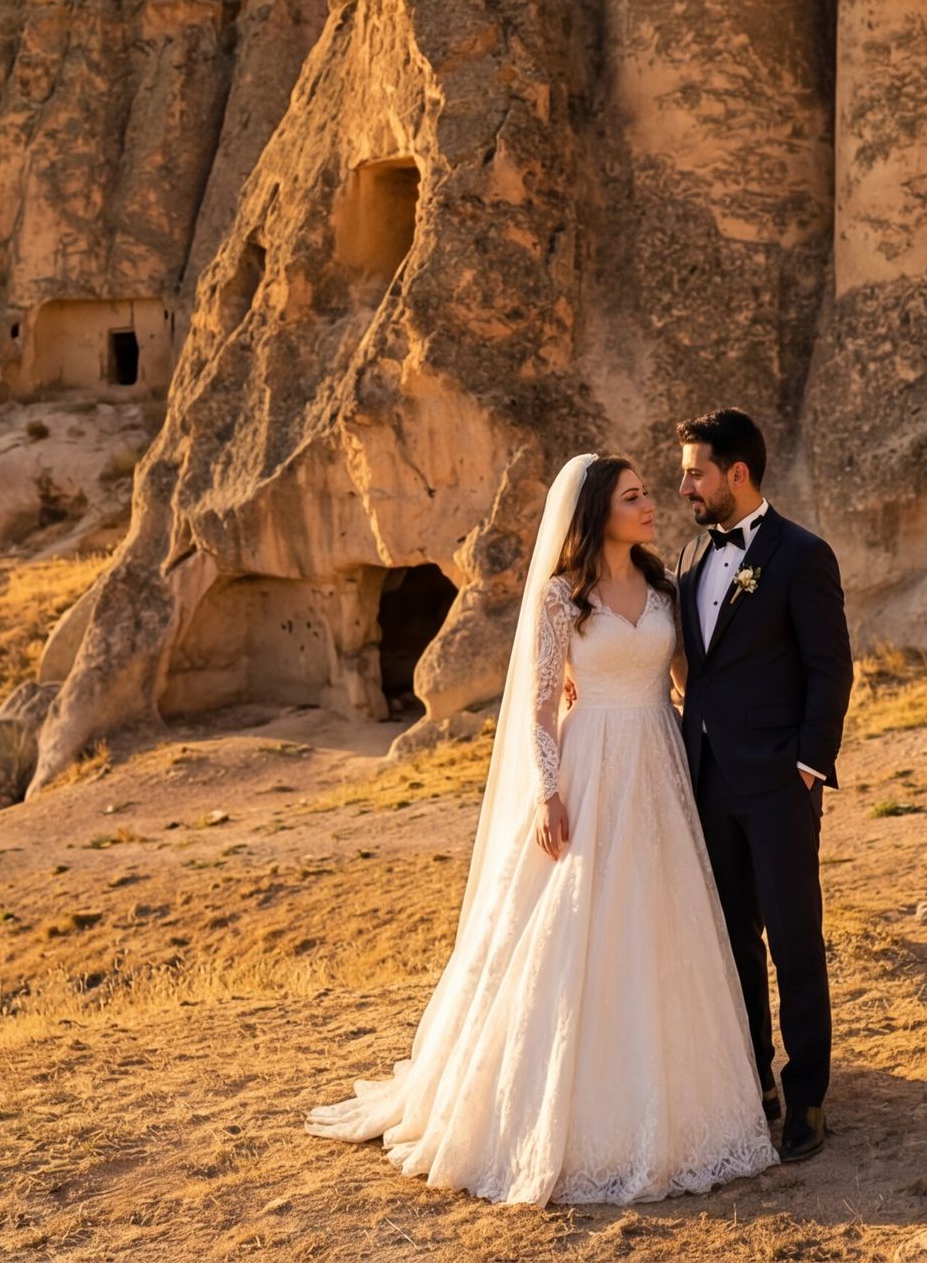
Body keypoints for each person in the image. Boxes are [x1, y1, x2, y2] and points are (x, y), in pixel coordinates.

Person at [308, 454, 778, 1205]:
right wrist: (547, 793)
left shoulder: (664, 586)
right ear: (597, 512)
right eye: (634, 496)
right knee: (576, 923)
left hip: (657, 767)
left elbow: (689, 678)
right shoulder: (562, 597)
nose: (652, 503)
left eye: (647, 492)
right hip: (590, 766)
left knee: (662, 922)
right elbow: (535, 706)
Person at [674, 407, 853, 1164]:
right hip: (707, 779)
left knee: (793, 936)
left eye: (695, 471)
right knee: (733, 939)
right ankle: (755, 1078)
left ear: (735, 473)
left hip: (779, 783)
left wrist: (808, 765)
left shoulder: (801, 555)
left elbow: (830, 667)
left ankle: (806, 1088)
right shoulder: (689, 554)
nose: (684, 484)